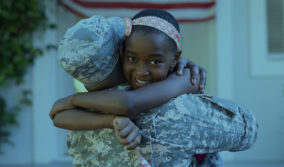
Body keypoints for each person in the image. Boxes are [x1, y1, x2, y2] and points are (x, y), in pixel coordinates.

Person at [50, 9, 258, 167]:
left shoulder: (78, 119)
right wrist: (182, 80)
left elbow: (59, 115)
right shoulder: (178, 109)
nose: (142, 71)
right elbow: (248, 129)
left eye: (155, 61)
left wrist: (71, 100)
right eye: (133, 57)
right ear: (120, 53)